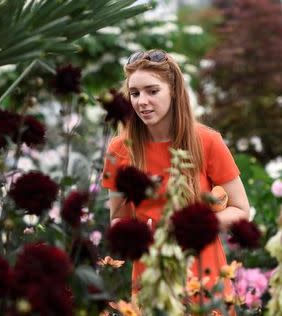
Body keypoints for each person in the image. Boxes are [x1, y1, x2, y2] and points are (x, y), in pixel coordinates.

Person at [101, 49, 250, 296]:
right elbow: (119, 220)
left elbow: (241, 210)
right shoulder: (119, 149)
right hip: (152, 277)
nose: (141, 101)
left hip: (204, 277)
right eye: (135, 93)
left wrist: (190, 226)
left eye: (152, 91)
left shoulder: (208, 141)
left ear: (173, 91)